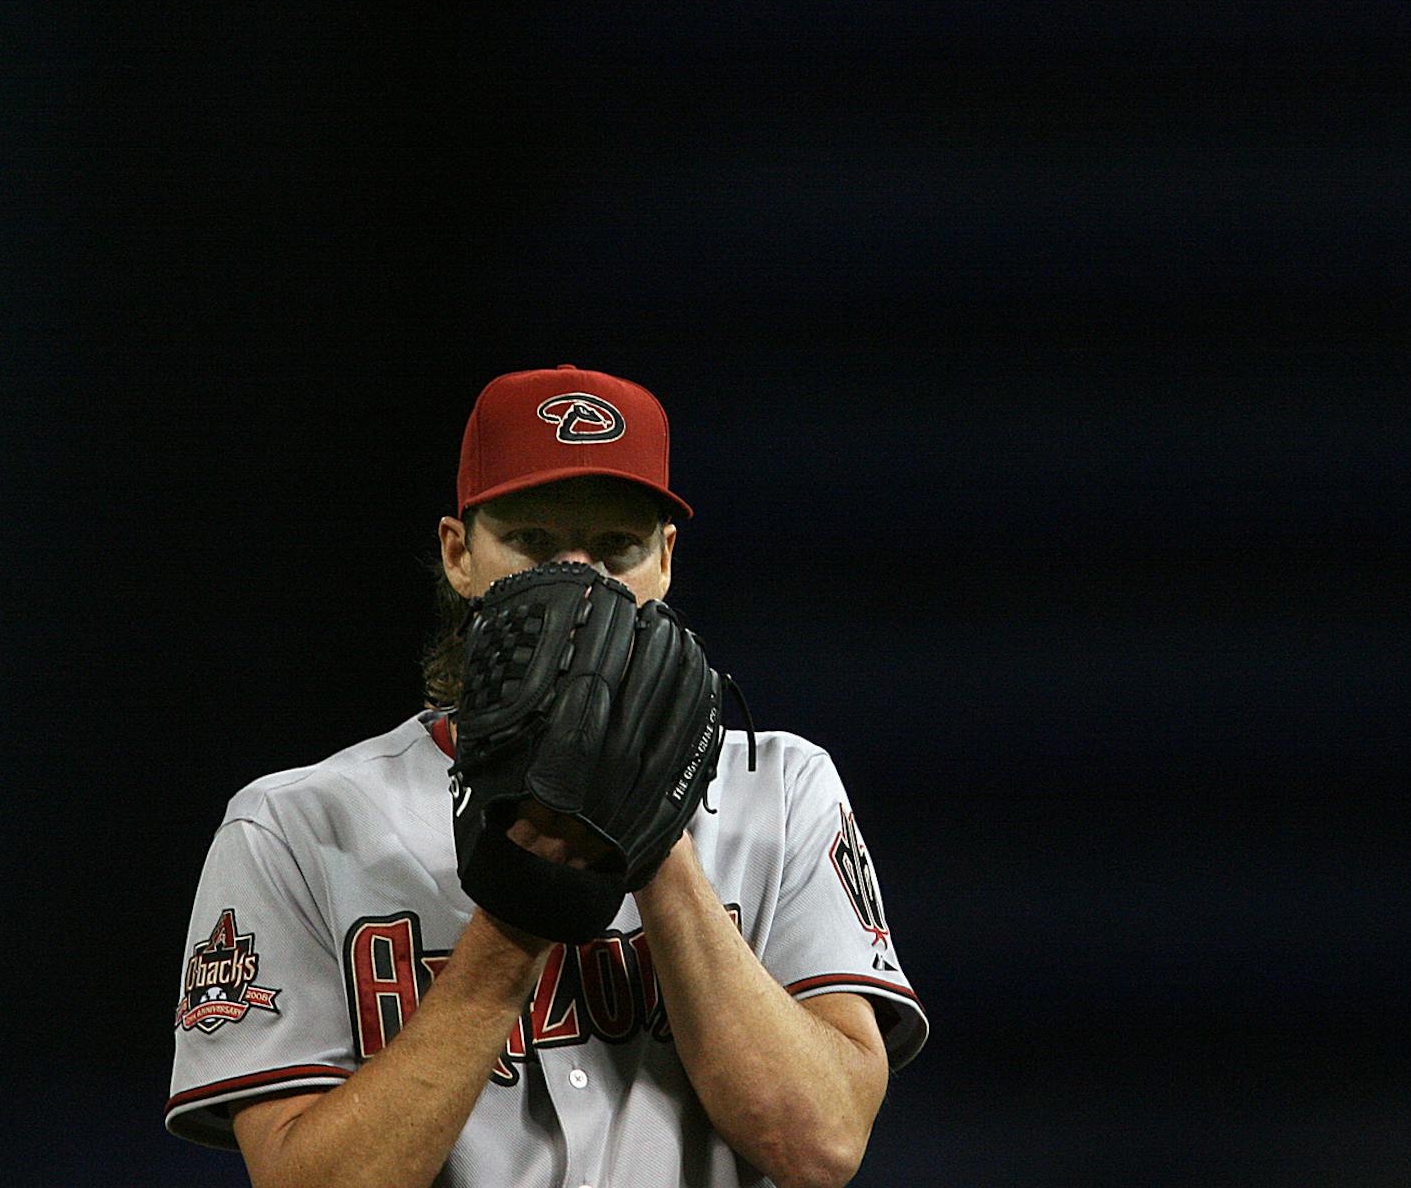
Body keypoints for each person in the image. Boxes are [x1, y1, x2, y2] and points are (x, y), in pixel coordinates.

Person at [167, 364, 926, 1188]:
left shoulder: (779, 787)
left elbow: (819, 1146)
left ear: (664, 562)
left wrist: (653, 833)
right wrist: (515, 921)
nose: (581, 580)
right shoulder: (296, 828)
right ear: (459, 555)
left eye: (615, 548)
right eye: (533, 542)